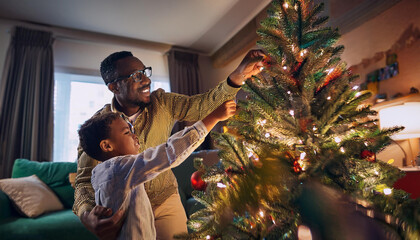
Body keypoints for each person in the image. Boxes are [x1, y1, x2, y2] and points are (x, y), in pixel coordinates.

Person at [73, 49, 266, 239]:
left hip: (166, 201)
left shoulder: (162, 102)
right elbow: (83, 181)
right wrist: (87, 216)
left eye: (145, 72)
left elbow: (202, 106)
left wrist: (238, 76)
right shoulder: (96, 129)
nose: (146, 80)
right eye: (136, 76)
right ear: (114, 87)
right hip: (126, 211)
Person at [78, 101, 236, 240]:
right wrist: (213, 118)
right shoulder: (119, 168)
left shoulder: (99, 173)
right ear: (107, 146)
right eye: (127, 132)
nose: (135, 135)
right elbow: (170, 153)